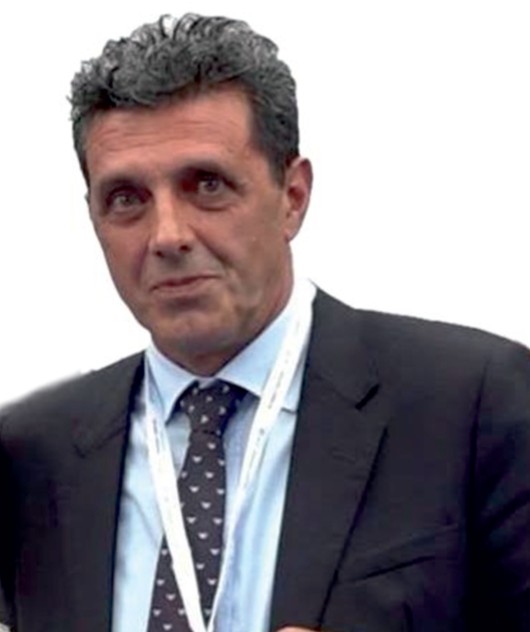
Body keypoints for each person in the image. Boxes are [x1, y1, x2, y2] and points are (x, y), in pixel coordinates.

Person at [1, 12, 530, 632]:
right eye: (126, 199)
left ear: (292, 197)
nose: (167, 235)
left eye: (207, 185)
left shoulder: (472, 406)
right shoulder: (31, 455)